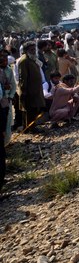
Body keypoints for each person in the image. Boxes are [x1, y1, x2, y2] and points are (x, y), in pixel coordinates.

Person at [17, 41, 46, 132]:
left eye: (34, 49)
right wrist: (24, 91)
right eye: (31, 49)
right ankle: (30, 128)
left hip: (36, 89)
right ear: (26, 50)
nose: (34, 51)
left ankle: (29, 127)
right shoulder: (24, 60)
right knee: (30, 110)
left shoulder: (32, 58)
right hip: (29, 90)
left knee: (34, 109)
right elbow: (23, 78)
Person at [0, 51, 16, 189]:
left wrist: (10, 95)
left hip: (6, 102)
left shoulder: (8, 71)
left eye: (5, 59)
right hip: (2, 103)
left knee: (7, 126)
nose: (4, 62)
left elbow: (12, 85)